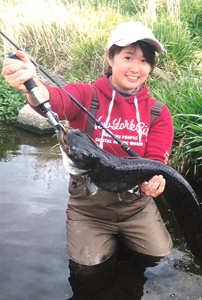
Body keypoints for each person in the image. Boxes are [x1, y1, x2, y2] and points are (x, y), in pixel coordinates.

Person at [2, 21, 174, 298]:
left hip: (136, 208)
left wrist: (155, 183)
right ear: (110, 56)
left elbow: (156, 162)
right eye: (127, 57)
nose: (135, 68)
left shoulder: (158, 113)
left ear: (150, 67)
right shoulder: (85, 96)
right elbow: (52, 99)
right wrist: (29, 84)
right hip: (89, 210)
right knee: (89, 270)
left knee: (161, 260)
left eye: (144, 61)